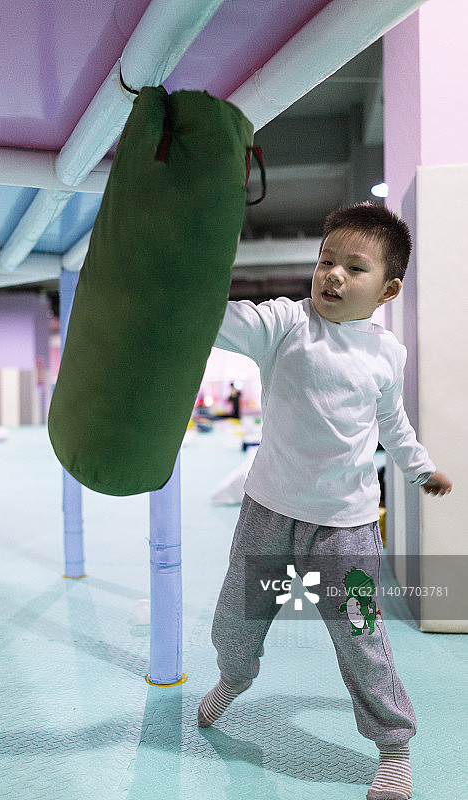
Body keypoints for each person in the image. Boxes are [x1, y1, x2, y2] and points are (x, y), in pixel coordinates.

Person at [197, 202, 452, 800]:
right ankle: (234, 678)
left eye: (353, 268)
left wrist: (420, 469)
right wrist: (185, 281)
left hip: (346, 526)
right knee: (238, 614)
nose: (332, 275)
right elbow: (219, 320)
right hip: (268, 509)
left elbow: (393, 422)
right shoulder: (286, 323)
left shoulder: (386, 355)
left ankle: (392, 741)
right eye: (325, 261)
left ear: (387, 290)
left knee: (360, 631)